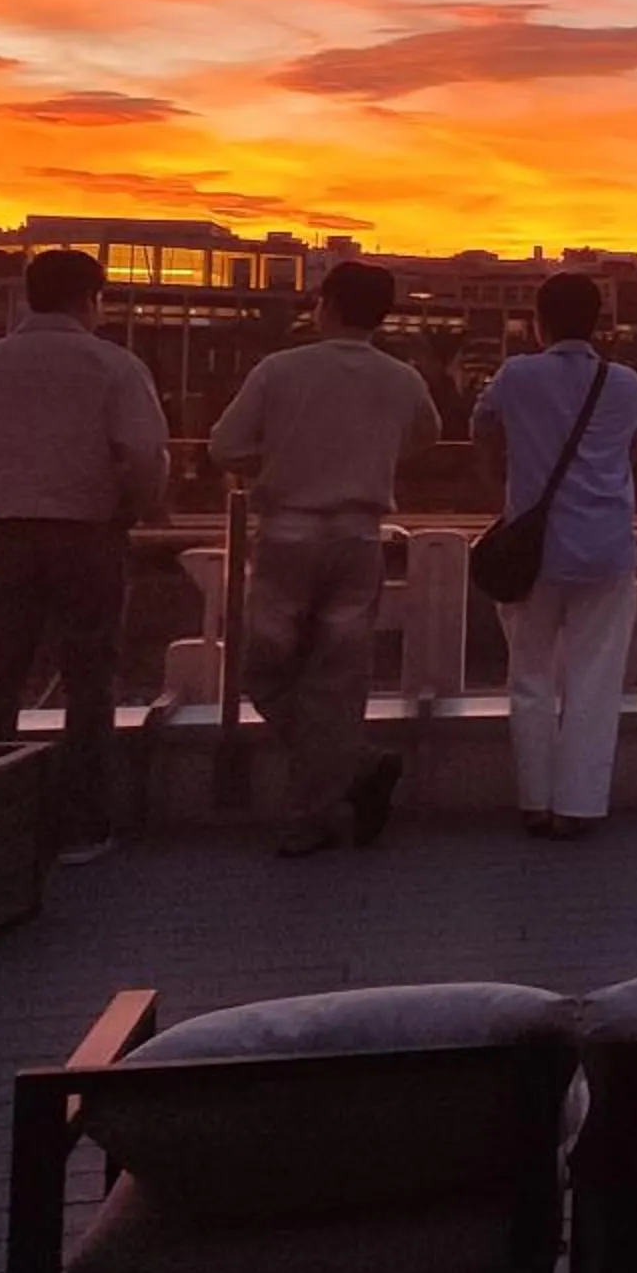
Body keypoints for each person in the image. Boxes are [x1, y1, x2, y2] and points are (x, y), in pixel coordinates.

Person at [0, 248, 172, 863]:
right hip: (89, 530)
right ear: (92, 298)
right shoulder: (113, 366)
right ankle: (83, 825)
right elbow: (144, 453)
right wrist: (133, 507)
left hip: (2, 530)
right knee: (89, 681)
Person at [208, 261, 443, 857]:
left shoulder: (280, 370)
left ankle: (319, 806)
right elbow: (426, 437)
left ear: (327, 304)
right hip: (360, 535)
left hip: (287, 534)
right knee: (335, 682)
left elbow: (224, 445)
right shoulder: (401, 379)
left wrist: (280, 457)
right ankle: (345, 777)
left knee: (264, 673)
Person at [473, 272, 637, 839]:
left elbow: (482, 426)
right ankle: (578, 807)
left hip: (535, 551)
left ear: (539, 321)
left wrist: (503, 487)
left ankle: (535, 801)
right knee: (595, 680)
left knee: (529, 675)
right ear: (598, 322)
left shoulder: (518, 375)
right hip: (605, 546)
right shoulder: (623, 382)